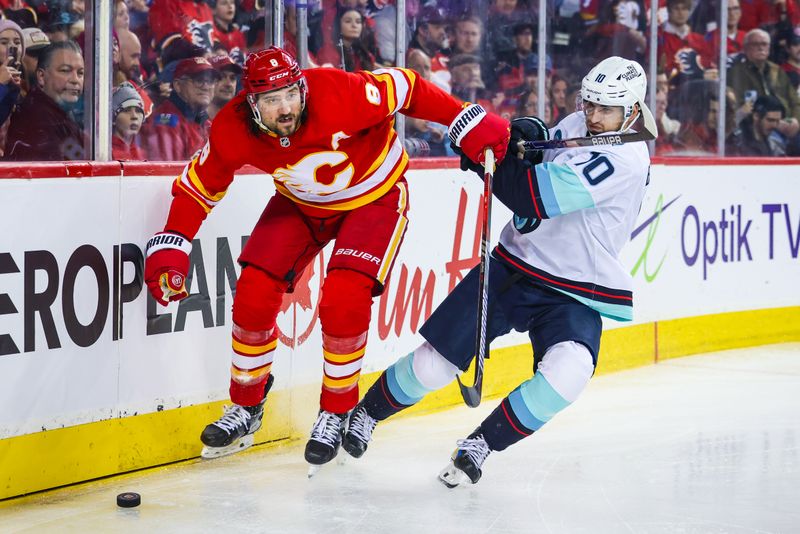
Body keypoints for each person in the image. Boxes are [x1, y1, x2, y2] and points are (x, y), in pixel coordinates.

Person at [142, 46, 510, 467]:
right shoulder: (233, 128)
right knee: (254, 291)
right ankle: (247, 406)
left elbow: (407, 87)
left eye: (289, 94)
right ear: (251, 104)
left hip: (374, 198)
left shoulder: (340, 91)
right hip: (301, 204)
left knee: (343, 299)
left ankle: (336, 412)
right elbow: (198, 187)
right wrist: (173, 241)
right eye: (271, 100)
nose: (285, 108)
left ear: (302, 87)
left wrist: (465, 119)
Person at [340, 56, 654, 488]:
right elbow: (548, 147)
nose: (594, 117)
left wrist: (488, 158)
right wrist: (527, 134)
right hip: (514, 263)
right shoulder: (584, 121)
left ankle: (481, 444)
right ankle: (365, 415)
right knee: (434, 366)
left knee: (570, 371)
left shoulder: (626, 159)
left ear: (633, 110)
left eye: (606, 110)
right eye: (590, 105)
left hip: (575, 288)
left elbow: (532, 197)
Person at [4, 40, 85, 161]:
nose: (75, 80)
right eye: (65, 70)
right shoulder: (35, 120)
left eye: (80, 73)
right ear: (41, 76)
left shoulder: (61, 115)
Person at [139, 56, 219, 161]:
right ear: (178, 85)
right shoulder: (164, 122)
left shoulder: (204, 121)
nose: (205, 86)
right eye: (199, 80)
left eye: (210, 81)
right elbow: (168, 172)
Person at [727, 28, 800, 139]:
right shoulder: (736, 73)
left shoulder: (776, 70)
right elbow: (737, 109)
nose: (761, 48)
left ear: (769, 48)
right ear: (745, 48)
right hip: (756, 130)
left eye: (764, 44)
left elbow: (795, 101)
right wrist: (774, 123)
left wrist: (796, 120)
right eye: (755, 44)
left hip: (787, 125)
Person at [111, 81, 146, 160]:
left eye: (138, 111)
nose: (134, 116)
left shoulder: (143, 153)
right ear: (113, 119)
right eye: (126, 111)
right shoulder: (106, 155)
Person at [207, 54, 241, 120]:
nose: (228, 84)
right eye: (221, 77)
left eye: (232, 78)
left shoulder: (241, 123)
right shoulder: (195, 121)